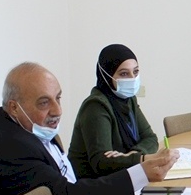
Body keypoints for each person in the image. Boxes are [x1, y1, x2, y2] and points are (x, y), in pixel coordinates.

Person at [0, 62, 179, 195]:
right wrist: (141, 173)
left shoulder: (24, 126)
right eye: (44, 102)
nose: (57, 111)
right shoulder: (9, 146)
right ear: (14, 107)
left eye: (58, 98)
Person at [68, 44, 159, 178]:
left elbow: (151, 138)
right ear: (107, 75)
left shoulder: (129, 99)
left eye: (135, 72)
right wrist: (142, 158)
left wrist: (133, 154)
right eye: (124, 74)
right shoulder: (96, 106)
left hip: (123, 177)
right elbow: (102, 163)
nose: (132, 78)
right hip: (93, 184)